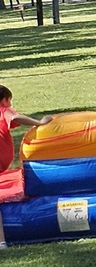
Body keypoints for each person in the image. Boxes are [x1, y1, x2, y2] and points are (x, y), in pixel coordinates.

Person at [1, 84, 53, 249]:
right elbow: (16, 118)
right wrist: (39, 122)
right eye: (10, 101)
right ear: (4, 100)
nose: (11, 104)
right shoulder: (3, 110)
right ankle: (1, 241)